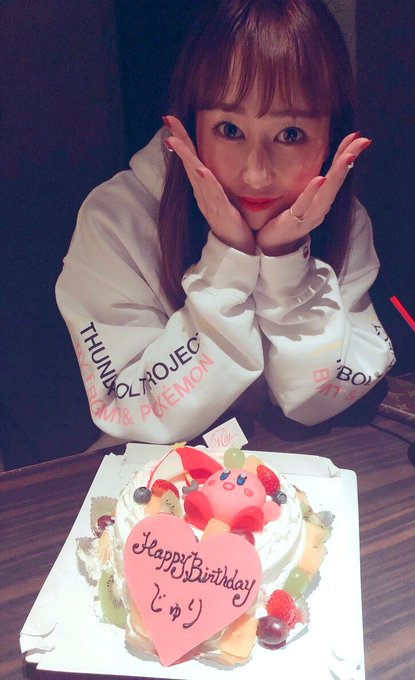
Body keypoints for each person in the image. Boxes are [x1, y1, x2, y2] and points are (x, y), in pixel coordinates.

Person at [56, 0, 395, 444]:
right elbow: (132, 410)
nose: (256, 175)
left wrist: (285, 261)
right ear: (188, 124)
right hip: (148, 473)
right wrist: (228, 262)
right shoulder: (116, 221)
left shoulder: (348, 223)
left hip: (300, 471)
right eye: (230, 130)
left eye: (290, 134)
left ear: (332, 137)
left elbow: (324, 399)